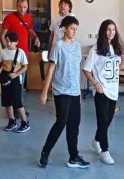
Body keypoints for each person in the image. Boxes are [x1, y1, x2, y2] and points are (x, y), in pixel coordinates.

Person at [38, 16, 89, 169]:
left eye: (76, 29)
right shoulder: (58, 46)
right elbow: (50, 70)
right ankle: (45, 153)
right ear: (64, 29)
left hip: (75, 91)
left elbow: (76, 69)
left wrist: (79, 90)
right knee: (61, 122)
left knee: (74, 124)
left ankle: (73, 157)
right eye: (72, 28)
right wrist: (44, 92)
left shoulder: (77, 46)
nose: (74, 32)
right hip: (61, 91)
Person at [83, 20, 124, 165]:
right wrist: (95, 84)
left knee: (107, 120)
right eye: (108, 29)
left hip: (113, 89)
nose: (111, 32)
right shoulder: (96, 49)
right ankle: (104, 151)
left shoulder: (116, 48)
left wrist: (122, 62)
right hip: (101, 90)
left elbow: (115, 69)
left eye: (113, 29)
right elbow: (86, 69)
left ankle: (96, 140)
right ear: (103, 31)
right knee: (102, 120)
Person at [0, 32, 30, 133]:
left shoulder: (20, 52)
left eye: (11, 41)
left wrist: (16, 74)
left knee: (17, 102)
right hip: (5, 78)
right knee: (7, 101)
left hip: (15, 79)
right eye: (7, 41)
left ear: (16, 42)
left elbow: (25, 66)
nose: (8, 43)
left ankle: (25, 122)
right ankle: (11, 121)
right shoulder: (3, 52)